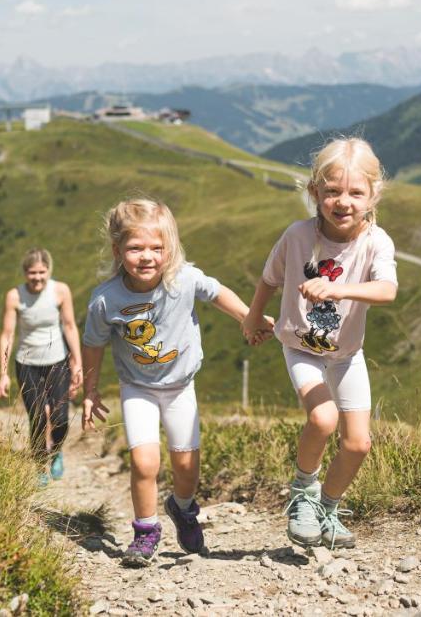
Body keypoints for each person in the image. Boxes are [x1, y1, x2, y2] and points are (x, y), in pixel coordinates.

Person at [81, 198, 271, 567]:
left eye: (157, 248)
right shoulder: (105, 300)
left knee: (186, 468)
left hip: (181, 385)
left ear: (171, 249)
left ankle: (182, 509)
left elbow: (217, 294)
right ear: (117, 250)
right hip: (137, 388)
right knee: (144, 461)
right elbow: (93, 344)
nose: (147, 256)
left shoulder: (184, 279)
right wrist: (90, 390)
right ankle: (145, 531)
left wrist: (249, 319)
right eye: (136, 248)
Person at [242, 138, 398, 549]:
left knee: (358, 444)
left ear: (373, 195)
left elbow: (387, 290)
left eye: (355, 193)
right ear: (315, 193)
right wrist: (253, 317)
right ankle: (303, 494)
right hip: (300, 346)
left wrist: (339, 289)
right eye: (332, 191)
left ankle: (328, 508)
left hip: (347, 354)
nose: (342, 201)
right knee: (324, 419)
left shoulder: (376, 242)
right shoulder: (296, 235)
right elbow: (269, 279)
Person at [0, 248, 83, 487]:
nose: (37, 278)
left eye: (42, 272)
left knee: (60, 417)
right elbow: (7, 334)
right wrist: (3, 374)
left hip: (58, 360)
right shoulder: (14, 296)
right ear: (25, 273)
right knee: (37, 417)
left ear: (49, 271)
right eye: (32, 273)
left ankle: (56, 451)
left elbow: (70, 326)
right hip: (27, 363)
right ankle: (38, 464)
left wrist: (77, 363)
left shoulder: (60, 290)